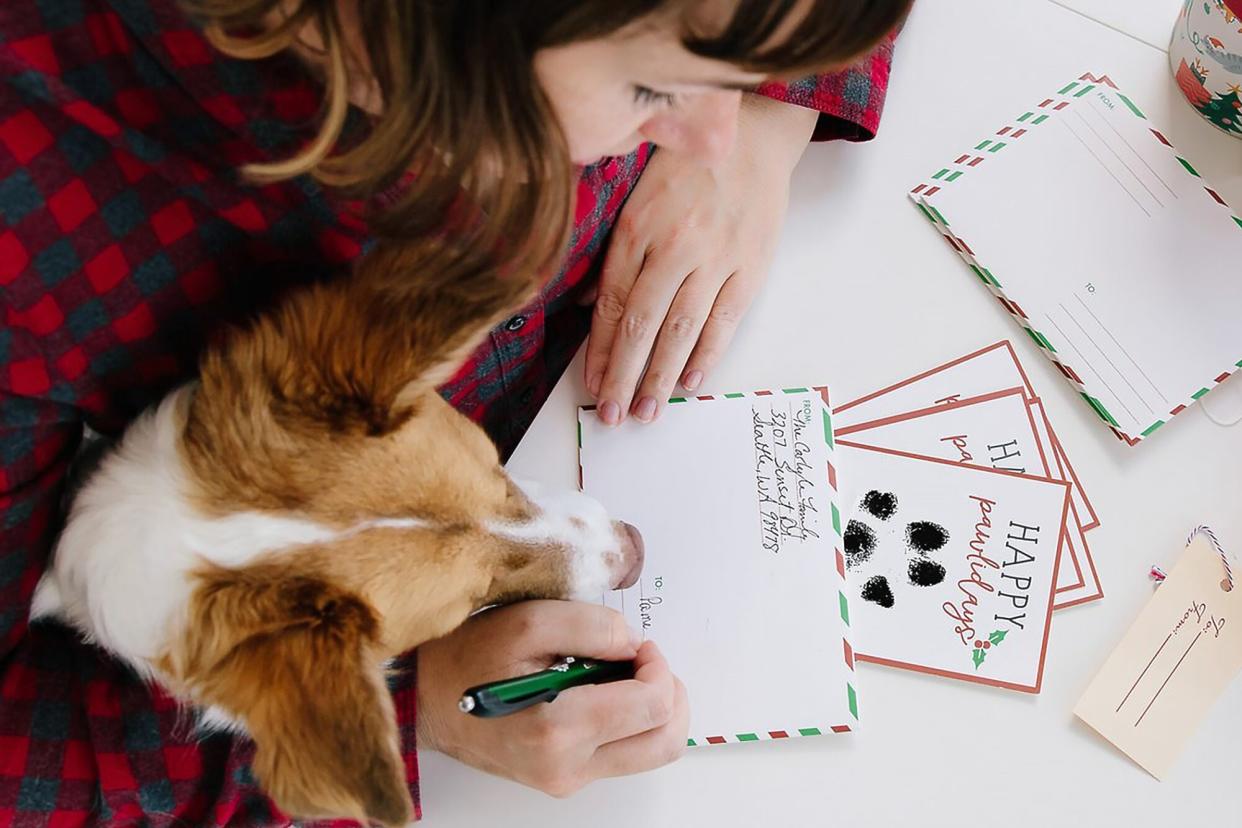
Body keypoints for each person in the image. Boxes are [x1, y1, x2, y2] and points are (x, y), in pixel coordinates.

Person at [0, 0, 907, 823]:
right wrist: (417, 700)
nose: (700, 131)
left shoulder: (695, 116)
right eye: (650, 87)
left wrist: (766, 112)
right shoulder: (37, 203)